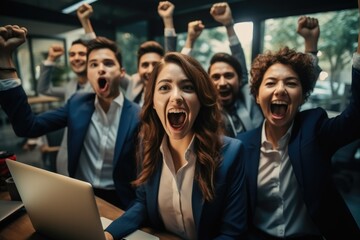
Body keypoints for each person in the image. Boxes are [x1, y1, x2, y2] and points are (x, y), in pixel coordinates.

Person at [237, 4, 360, 237]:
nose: (281, 90)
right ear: (256, 94)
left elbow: (357, 116)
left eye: (291, 83)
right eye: (271, 83)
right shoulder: (241, 146)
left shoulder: (315, 129)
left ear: (303, 97)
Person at [104, 52, 247, 240]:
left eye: (187, 87)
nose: (176, 97)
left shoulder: (231, 153)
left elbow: (231, 233)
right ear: (153, 102)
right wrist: (109, 234)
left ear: (201, 100)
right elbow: (143, 202)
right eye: (164, 87)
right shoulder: (145, 145)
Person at [0, 26, 140, 210]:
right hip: (79, 196)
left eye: (108, 63)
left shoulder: (138, 115)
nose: (100, 69)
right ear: (87, 73)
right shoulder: (77, 104)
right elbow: (27, 126)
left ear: (121, 72)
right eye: (93, 64)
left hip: (119, 200)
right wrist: (4, 60)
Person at [125, 1, 177, 106]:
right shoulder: (133, 82)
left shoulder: (171, 92)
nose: (150, 70)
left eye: (155, 64)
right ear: (138, 69)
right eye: (145, 65)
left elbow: (171, 58)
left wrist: (167, 19)